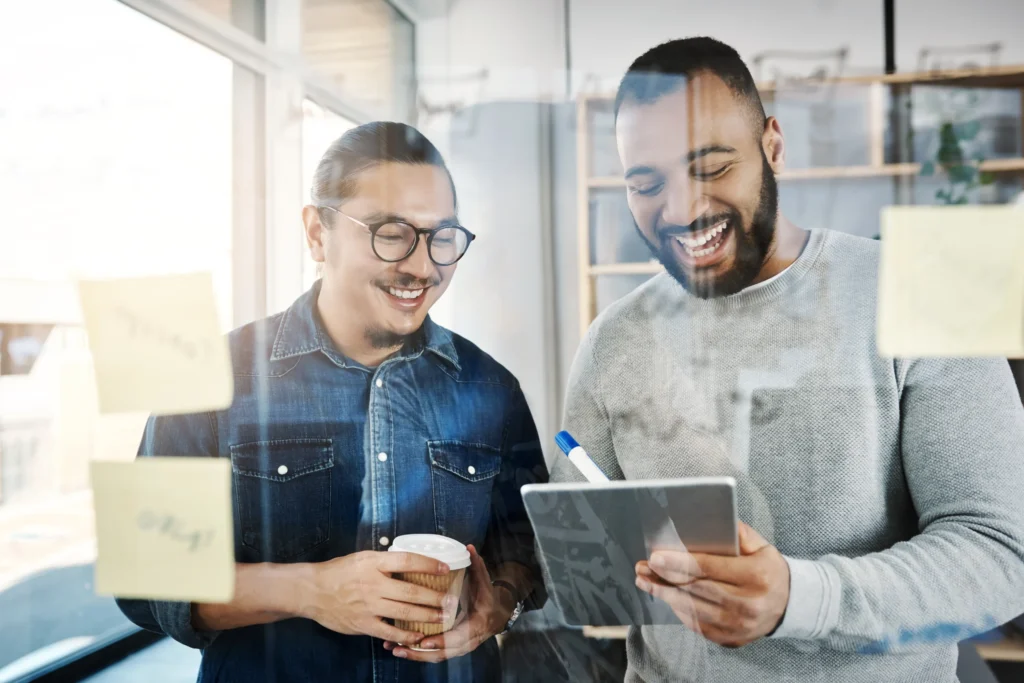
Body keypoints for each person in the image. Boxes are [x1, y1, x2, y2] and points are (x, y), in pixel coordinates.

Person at [551, 37, 1024, 681]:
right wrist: (507, 587)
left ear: (772, 147)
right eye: (646, 183)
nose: (681, 209)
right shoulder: (614, 339)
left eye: (712, 167)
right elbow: (578, 564)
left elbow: (1000, 553)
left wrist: (798, 600)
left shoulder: (924, 297)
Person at [117, 121, 548, 682]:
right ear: (318, 233)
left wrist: (498, 605)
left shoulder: (492, 388)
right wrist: (311, 590)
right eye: (391, 233)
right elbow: (144, 580)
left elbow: (528, 547)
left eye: (441, 237)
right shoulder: (207, 380)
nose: (423, 267)